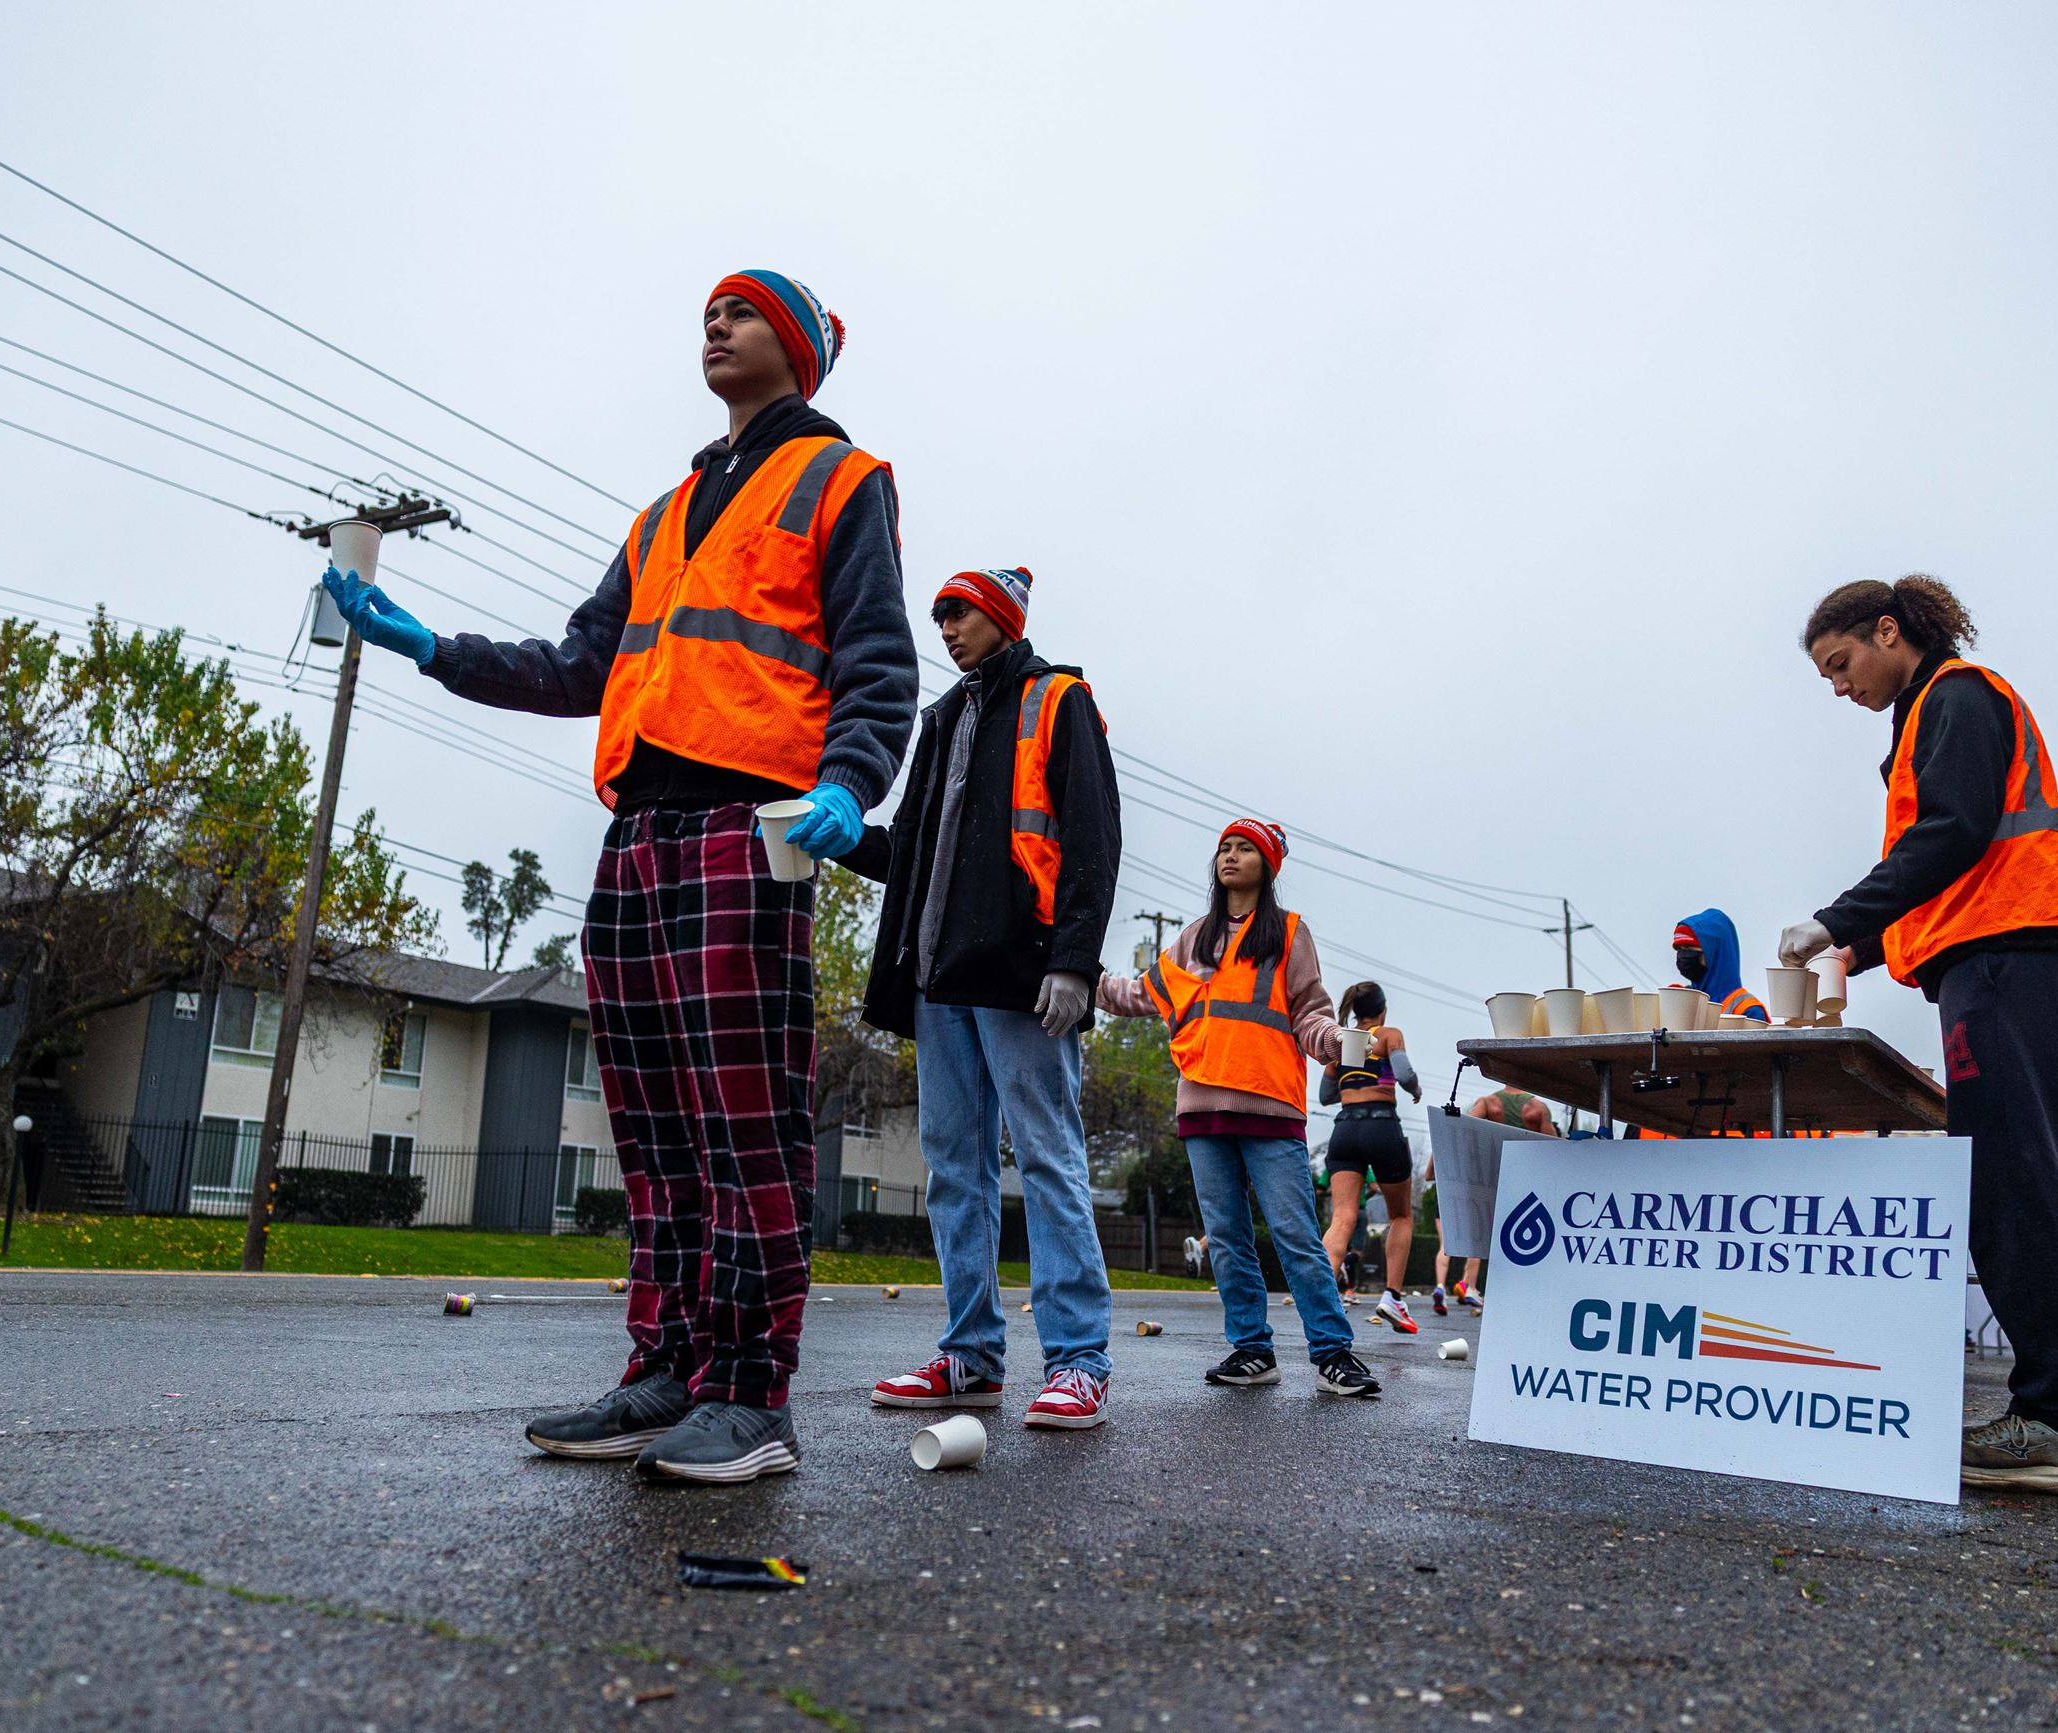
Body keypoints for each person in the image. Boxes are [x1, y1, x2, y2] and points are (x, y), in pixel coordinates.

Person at [326, 270, 917, 1484]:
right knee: (653, 1128)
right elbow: (580, 663)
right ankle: (668, 1370)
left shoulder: (843, 480)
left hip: (751, 824)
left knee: (743, 1124)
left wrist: (851, 781)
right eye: (707, 313)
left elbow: (876, 659)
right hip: (638, 835)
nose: (715, 325)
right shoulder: (659, 518)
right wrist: (434, 646)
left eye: (741, 312)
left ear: (797, 347)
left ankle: (750, 1395)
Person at [1778, 574, 2058, 1498]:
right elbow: (1945, 867)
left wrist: (1837, 919)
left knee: (2011, 1181)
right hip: (2010, 952)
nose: (1839, 687)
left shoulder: (1957, 696)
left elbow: (1954, 833)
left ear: (1889, 630)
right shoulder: (1930, 713)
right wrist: (1859, 950)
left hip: (2007, 957)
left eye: (1841, 662)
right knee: (2034, 1175)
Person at [848, 566, 1122, 1430]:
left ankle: (1080, 1360)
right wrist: (844, 835)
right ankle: (969, 1354)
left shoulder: (1058, 701)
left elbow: (1092, 837)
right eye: (938, 616)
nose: (946, 628)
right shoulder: (942, 720)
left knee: (1047, 1156)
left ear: (1002, 616)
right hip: (938, 978)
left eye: (959, 612)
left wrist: (1074, 962)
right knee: (953, 1171)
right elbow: (911, 852)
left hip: (1021, 974)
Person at [1096, 820, 1382, 1398]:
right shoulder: (1194, 938)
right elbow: (1140, 995)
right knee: (1226, 1238)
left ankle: (1333, 1353)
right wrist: (1081, 972)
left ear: (1267, 865)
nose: (1230, 855)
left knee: (1296, 1235)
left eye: (1244, 848)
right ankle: (1252, 1350)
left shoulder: (1290, 934)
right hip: (1202, 1106)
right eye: (1224, 847)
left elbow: (1309, 1013)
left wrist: (1335, 1041)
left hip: (1271, 1105)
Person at [1319, 981, 1424, 1332]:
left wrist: (1355, 1085)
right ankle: (1392, 1297)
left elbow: (1325, 1094)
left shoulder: (1345, 1041)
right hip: (1381, 1126)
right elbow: (1405, 1074)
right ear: (1383, 1010)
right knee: (1401, 1216)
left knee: (1342, 1218)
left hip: (1345, 1129)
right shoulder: (1389, 1034)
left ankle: (1321, 1297)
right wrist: (1416, 1089)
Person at [1429, 1087, 1559, 1312]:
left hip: (1489, 1182)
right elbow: (1556, 1150)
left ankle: (1459, 1286)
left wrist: (1437, 1167)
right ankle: (1502, 1294)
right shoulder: (1538, 1108)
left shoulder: (1489, 1103)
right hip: (1523, 1184)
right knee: (1521, 1244)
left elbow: (1458, 1130)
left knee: (1480, 1241)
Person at [1672, 909, 1770, 1022]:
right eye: (1679, 949)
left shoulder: (1748, 1011)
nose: (1682, 955)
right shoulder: (1679, 1000)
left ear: (1713, 952)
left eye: (1689, 948)